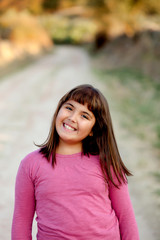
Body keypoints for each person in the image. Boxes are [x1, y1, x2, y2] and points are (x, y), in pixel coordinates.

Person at [12, 84, 139, 240]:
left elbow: (126, 217)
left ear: (93, 129)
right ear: (58, 110)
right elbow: (21, 223)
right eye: (69, 108)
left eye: (84, 116)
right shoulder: (31, 164)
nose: (72, 118)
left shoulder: (107, 163)